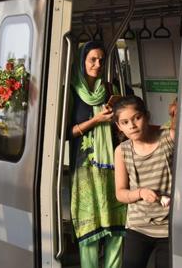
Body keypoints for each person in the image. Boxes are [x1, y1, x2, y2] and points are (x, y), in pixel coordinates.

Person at [68, 41, 125, 268]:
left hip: (113, 163)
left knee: (116, 225)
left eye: (101, 60)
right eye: (92, 59)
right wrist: (96, 120)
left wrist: (114, 119)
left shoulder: (109, 90)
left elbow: (125, 121)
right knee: (88, 226)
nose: (98, 64)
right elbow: (66, 132)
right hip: (85, 167)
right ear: (82, 62)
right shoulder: (71, 91)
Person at [113, 95, 176, 268]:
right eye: (125, 122)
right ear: (119, 126)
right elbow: (120, 193)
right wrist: (140, 193)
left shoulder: (168, 138)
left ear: (147, 116)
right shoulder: (122, 151)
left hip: (168, 228)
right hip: (138, 226)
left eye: (137, 118)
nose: (132, 126)